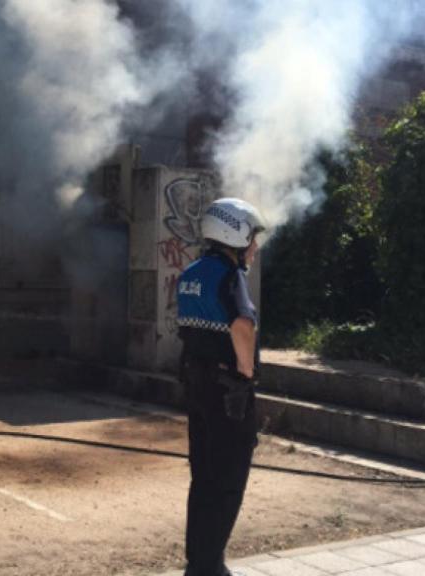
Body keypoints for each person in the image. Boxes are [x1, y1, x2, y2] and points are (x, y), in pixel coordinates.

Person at [176, 198, 266, 576]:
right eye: (253, 238)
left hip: (196, 386)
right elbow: (242, 324)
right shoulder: (231, 276)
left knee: (204, 478)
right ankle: (209, 568)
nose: (255, 248)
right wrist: (245, 373)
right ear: (236, 233)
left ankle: (200, 561)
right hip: (227, 391)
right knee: (228, 482)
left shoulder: (191, 272)